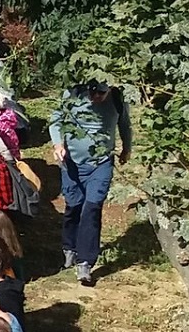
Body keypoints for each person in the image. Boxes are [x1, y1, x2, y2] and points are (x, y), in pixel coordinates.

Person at [48, 81, 131, 287]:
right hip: (72, 163)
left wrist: (127, 148)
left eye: (101, 93)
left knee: (92, 209)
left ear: (109, 89)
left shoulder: (118, 99)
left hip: (101, 164)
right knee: (74, 206)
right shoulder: (72, 94)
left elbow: (124, 124)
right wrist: (58, 144)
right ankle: (70, 247)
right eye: (93, 92)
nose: (96, 97)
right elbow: (56, 120)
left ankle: (85, 263)